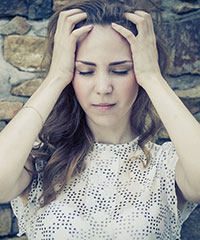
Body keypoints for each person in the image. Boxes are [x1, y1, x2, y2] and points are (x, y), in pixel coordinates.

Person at [0, 0, 199, 239]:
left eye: (120, 70)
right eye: (85, 71)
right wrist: (56, 77)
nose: (103, 88)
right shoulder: (41, 163)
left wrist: (152, 76)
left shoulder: (166, 166)